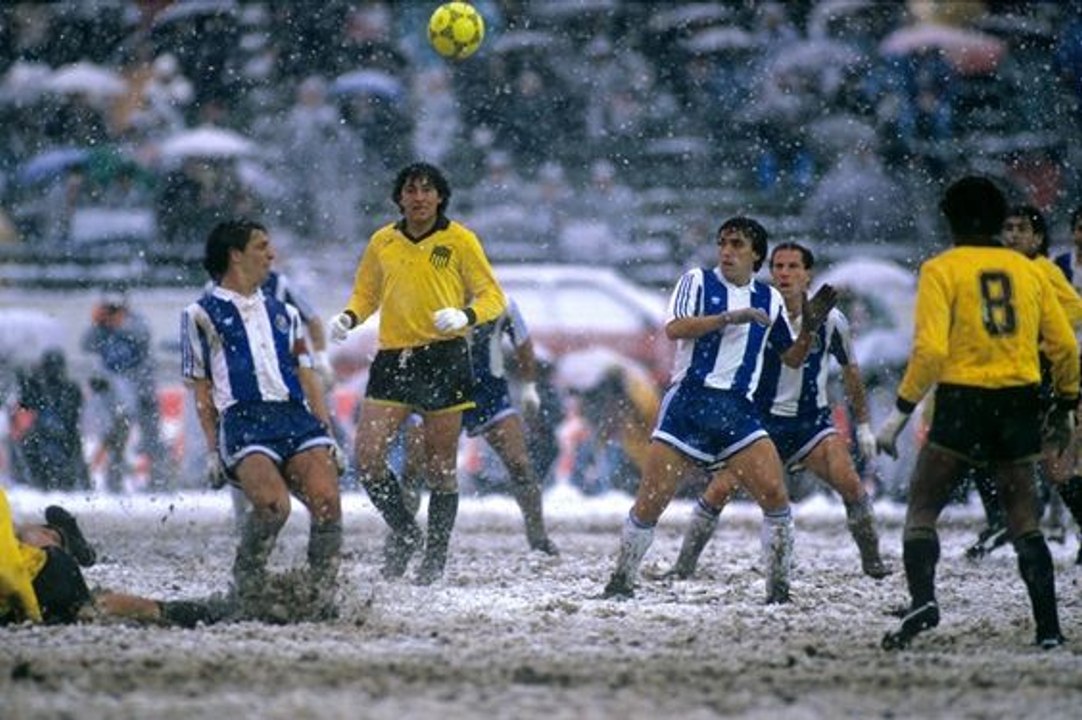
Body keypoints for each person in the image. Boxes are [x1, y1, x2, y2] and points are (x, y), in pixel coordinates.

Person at [875, 177, 1079, 651]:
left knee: (924, 506)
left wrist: (900, 412)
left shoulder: (942, 268)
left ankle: (924, 600)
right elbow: (1064, 344)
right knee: (1024, 515)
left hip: (963, 399)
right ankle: (1048, 627)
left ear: (949, 219)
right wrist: (1067, 402)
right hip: (1019, 399)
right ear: (996, 221)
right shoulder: (1031, 270)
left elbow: (929, 351)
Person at [600, 216, 836, 602]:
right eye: (723, 242)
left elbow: (792, 357)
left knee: (776, 496)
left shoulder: (769, 298)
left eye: (737, 244)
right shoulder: (698, 281)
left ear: (756, 254)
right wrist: (728, 318)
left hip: (737, 410)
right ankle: (621, 581)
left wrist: (809, 327)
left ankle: (779, 592)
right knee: (652, 499)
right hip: (690, 401)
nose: (727, 251)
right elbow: (674, 328)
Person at [667, 242, 891, 581]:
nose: (784, 274)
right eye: (779, 267)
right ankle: (683, 565)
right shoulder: (760, 309)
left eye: (793, 267)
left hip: (809, 424)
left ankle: (873, 561)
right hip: (759, 422)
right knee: (718, 489)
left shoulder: (832, 321)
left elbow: (851, 373)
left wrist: (862, 426)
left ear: (808, 274)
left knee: (851, 484)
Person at [329, 162, 506, 585]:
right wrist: (350, 317)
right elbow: (367, 293)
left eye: (428, 190)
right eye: (411, 190)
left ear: (440, 196)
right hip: (394, 358)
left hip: (444, 358)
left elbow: (493, 297)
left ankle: (435, 559)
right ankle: (408, 532)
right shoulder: (383, 241)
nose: (420, 197)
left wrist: (464, 314)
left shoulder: (460, 239)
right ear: (400, 197)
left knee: (439, 466)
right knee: (368, 457)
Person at [181, 219, 345, 621]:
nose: (271, 255)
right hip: (244, 420)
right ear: (235, 255)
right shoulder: (199, 314)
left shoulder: (285, 311)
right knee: (274, 507)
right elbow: (201, 388)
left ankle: (320, 595)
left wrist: (327, 430)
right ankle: (247, 587)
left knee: (327, 501)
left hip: (293, 416)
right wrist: (211, 448)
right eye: (261, 246)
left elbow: (305, 373)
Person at [966, 205, 1082, 562]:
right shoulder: (999, 269)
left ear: (1038, 237)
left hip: (1040, 378)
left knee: (1057, 468)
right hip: (1006, 378)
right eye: (1008, 228)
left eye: (1021, 229)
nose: (1013, 234)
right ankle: (1001, 518)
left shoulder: (1044, 270)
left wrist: (1042, 334)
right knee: (980, 446)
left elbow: (1075, 311)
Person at [1, 489, 222, 628]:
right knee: (22, 536)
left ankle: (169, 611)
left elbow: (10, 575)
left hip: (42, 576)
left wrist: (30, 614)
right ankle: (61, 534)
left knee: (87, 607)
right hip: (36, 568)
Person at [81, 289, 171, 492]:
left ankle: (160, 482)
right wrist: (97, 322)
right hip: (116, 395)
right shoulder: (100, 328)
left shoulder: (136, 323)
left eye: (116, 309)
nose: (112, 313)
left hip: (142, 389)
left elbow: (143, 336)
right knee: (117, 439)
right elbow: (85, 345)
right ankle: (115, 482)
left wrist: (119, 323)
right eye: (109, 309)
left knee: (152, 438)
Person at [15, 350, 91, 492]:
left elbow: (74, 415)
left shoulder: (69, 389)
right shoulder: (39, 387)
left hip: (62, 435)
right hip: (47, 435)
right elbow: (25, 405)